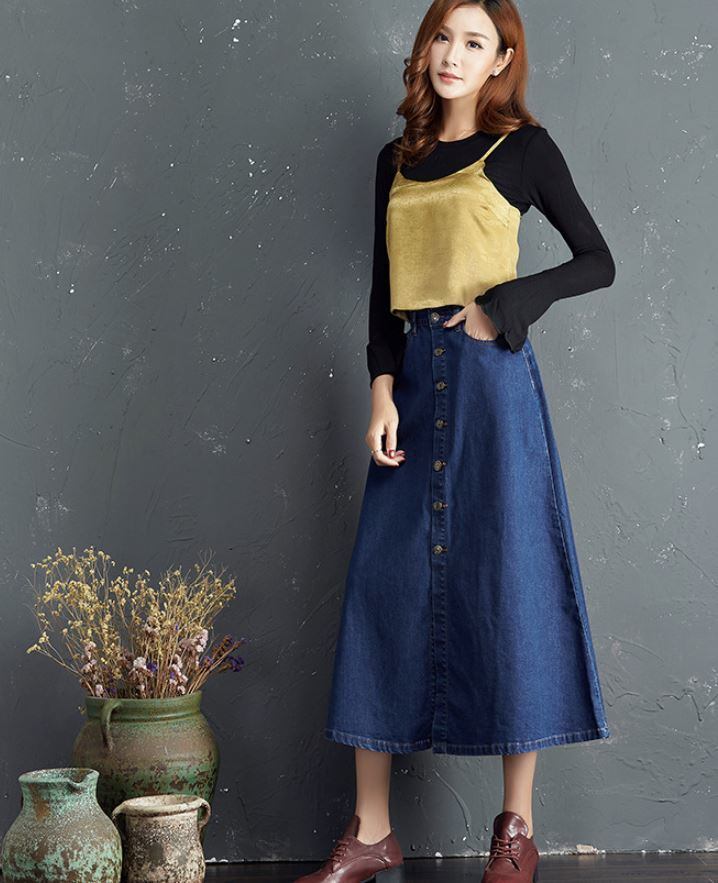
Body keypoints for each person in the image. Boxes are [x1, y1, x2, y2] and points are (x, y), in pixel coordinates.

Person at [297, 2, 615, 881]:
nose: (453, 54)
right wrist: (380, 388)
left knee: (512, 580)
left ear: (501, 58)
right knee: (382, 587)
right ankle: (371, 830)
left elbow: (597, 259)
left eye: (474, 42)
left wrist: (505, 306)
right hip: (412, 385)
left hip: (493, 384)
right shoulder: (395, 161)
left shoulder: (524, 152)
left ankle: (516, 827)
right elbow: (380, 295)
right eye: (443, 36)